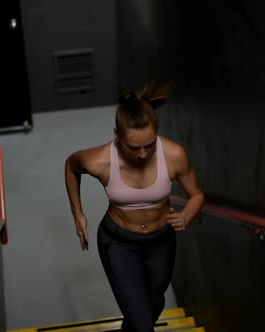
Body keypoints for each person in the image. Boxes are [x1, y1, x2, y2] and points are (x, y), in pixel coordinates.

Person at [64, 81, 205, 332]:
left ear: (156, 131)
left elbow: (196, 195)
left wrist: (186, 216)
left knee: (153, 302)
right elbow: (71, 166)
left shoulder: (173, 154)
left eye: (149, 145)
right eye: (133, 147)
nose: (142, 154)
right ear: (117, 135)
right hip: (118, 244)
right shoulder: (100, 160)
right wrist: (78, 214)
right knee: (142, 324)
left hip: (161, 240)